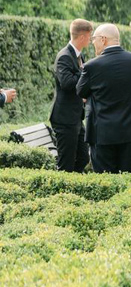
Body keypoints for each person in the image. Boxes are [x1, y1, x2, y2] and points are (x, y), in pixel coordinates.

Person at [77, 24, 131, 173]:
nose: (92, 42)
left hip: (102, 132)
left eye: (94, 39)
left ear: (103, 39)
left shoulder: (92, 66)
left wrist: (93, 94)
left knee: (106, 179)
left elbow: (80, 91)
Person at [50, 19, 93, 173]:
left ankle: (73, 186)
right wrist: (84, 71)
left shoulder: (79, 56)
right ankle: (63, 193)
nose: (90, 40)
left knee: (83, 157)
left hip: (75, 117)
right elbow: (67, 83)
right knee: (65, 164)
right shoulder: (64, 56)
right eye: (89, 37)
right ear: (82, 37)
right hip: (64, 119)